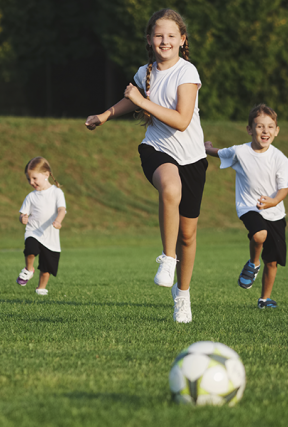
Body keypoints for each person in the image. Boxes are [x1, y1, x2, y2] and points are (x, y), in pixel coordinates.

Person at [85, 8, 206, 323]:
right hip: (156, 148)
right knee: (170, 186)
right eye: (158, 36)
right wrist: (105, 115)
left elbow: (181, 120)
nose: (164, 41)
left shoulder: (187, 73)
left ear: (182, 40)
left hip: (192, 157)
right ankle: (167, 258)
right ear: (150, 40)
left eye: (170, 36)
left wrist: (141, 102)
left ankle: (182, 296)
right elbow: (132, 98)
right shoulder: (145, 71)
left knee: (189, 236)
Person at [205, 104, 288, 309]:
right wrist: (206, 148)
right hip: (249, 207)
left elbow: (284, 188)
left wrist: (273, 201)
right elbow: (221, 153)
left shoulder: (280, 159)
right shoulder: (240, 152)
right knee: (259, 234)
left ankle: (264, 299)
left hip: (275, 213)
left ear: (277, 131)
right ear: (249, 129)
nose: (265, 131)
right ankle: (253, 263)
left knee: (272, 262)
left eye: (270, 127)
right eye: (260, 126)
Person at [16, 157, 67, 296]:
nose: (31, 182)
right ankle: (29, 269)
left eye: (34, 178)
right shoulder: (31, 197)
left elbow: (62, 209)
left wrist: (58, 221)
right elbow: (22, 214)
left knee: (46, 268)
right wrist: (23, 219)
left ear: (46, 174)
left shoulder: (56, 192)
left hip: (50, 236)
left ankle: (41, 288)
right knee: (30, 249)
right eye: (28, 179)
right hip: (34, 231)